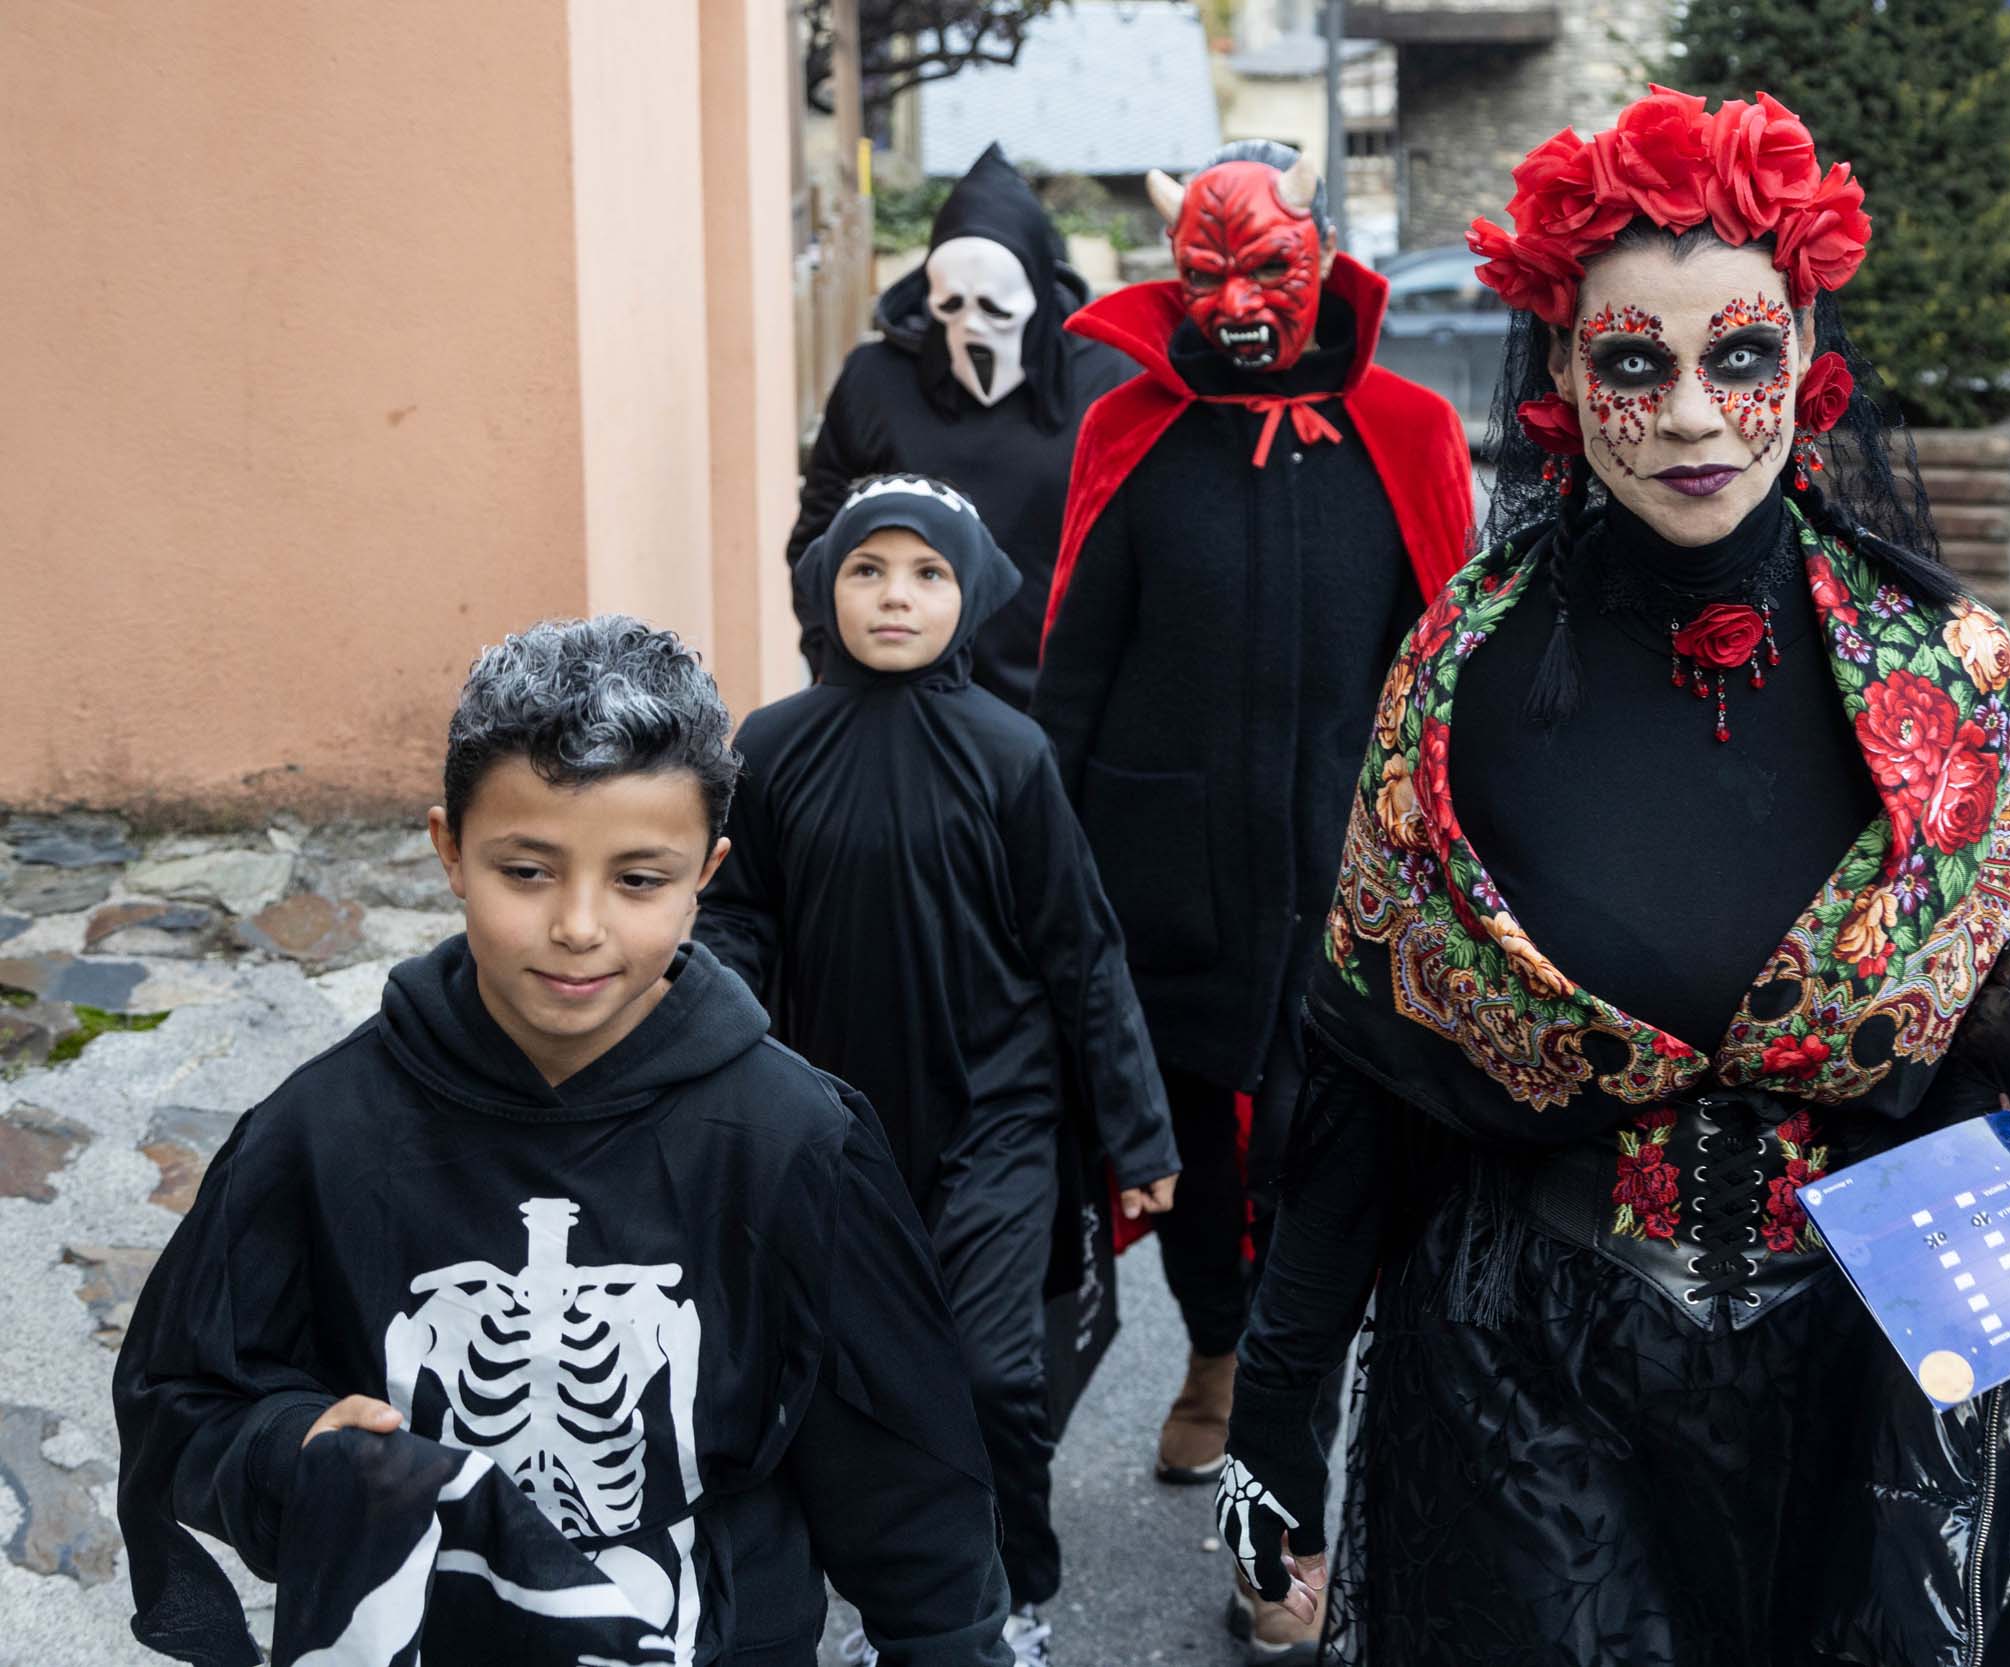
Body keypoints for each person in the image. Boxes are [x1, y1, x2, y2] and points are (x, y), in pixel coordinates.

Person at [1212, 89, 2010, 1666]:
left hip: (1904, 1390)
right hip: (1532, 1394)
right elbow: (1363, 1075)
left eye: (1737, 356)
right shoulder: (1452, 679)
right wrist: (1275, 1413)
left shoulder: (1944, 667)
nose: (1692, 413)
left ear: (1804, 364)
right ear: (1562, 374)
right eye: (1635, 363)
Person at [114, 616, 1014, 1666]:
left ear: (706, 870)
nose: (579, 925)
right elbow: (181, 1401)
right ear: (449, 848)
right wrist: (287, 1446)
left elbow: (905, 1490)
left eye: (638, 878)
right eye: (526, 869)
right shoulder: (322, 1130)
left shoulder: (793, 1140)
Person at [1028, 136, 1472, 1647]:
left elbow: (1446, 673)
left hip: (1347, 904)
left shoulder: (1406, 429)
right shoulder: (1134, 431)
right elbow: (1074, 667)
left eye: (1261, 268)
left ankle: (1272, 1518)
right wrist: (1044, 868)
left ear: (1321, 259)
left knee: (1322, 1194)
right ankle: (1212, 1348)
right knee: (1203, 1171)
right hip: (1168, 887)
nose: (1232, 303)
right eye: (1202, 272)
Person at [697, 474, 1181, 1667]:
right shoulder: (769, 744)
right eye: (868, 570)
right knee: (854, 1377)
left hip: (997, 1115)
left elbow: (1080, 947)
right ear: (824, 587)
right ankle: (902, 1600)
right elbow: (740, 916)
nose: (896, 596)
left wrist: (1139, 1130)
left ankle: (1017, 1586)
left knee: (986, 1368)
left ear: (969, 596)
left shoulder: (1009, 753)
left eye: (927, 573)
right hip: (833, 1120)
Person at [790, 144, 1136, 703]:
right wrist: (836, 666)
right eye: (952, 305)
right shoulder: (875, 380)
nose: (972, 328)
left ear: (1038, 298)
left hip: (1056, 705)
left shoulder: (1108, 382)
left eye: (995, 308)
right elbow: (819, 535)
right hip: (900, 702)